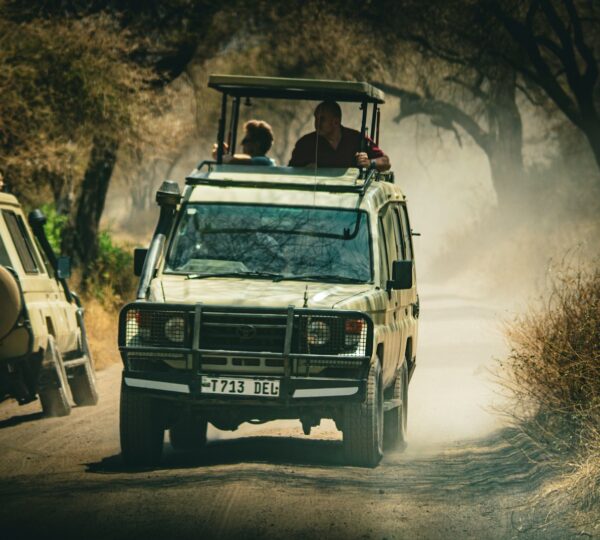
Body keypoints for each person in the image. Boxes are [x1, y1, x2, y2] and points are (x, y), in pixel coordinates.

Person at [288, 100, 391, 171]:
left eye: (322, 119)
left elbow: (385, 161)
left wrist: (369, 163)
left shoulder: (356, 139)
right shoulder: (305, 143)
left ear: (336, 122)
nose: (316, 123)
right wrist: (304, 170)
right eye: (316, 118)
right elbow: (291, 171)